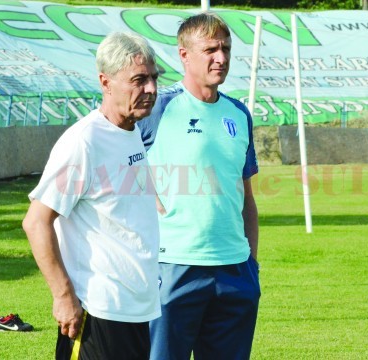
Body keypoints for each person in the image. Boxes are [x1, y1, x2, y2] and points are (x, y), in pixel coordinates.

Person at [22, 31, 160, 360]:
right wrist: (63, 296)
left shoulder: (131, 131)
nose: (151, 89)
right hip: (98, 313)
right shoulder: (84, 141)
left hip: (136, 311)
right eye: (139, 80)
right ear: (105, 81)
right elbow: (36, 222)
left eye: (154, 78)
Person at [139, 12, 260, 360]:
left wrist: (252, 263)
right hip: (173, 266)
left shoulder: (239, 114)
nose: (220, 58)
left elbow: (246, 196)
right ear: (184, 55)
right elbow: (112, 160)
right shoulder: (157, 107)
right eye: (210, 50)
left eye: (225, 49)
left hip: (235, 270)